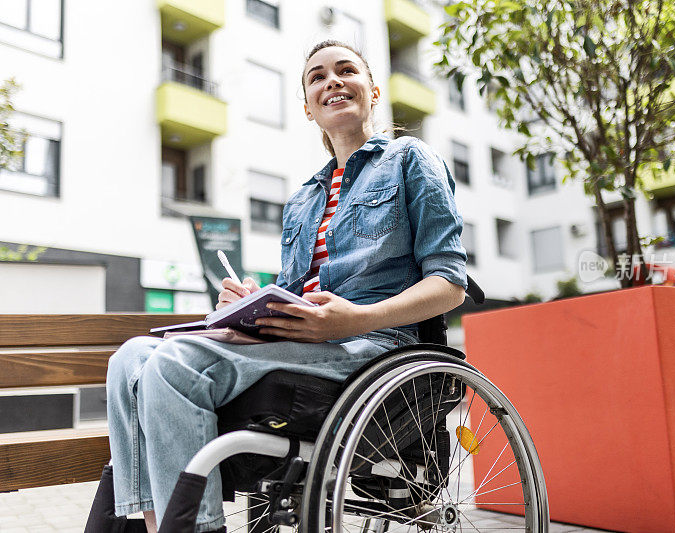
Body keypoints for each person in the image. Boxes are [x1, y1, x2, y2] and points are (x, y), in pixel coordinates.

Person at [86, 40, 467, 533]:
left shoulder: (410, 159)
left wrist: (355, 319)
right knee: (130, 359)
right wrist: (247, 305)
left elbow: (449, 283)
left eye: (345, 70)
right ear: (308, 109)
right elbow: (293, 291)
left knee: (172, 367)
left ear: (372, 90)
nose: (331, 81)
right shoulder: (303, 200)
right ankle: (164, 525)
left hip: (374, 345)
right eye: (316, 77)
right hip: (302, 343)